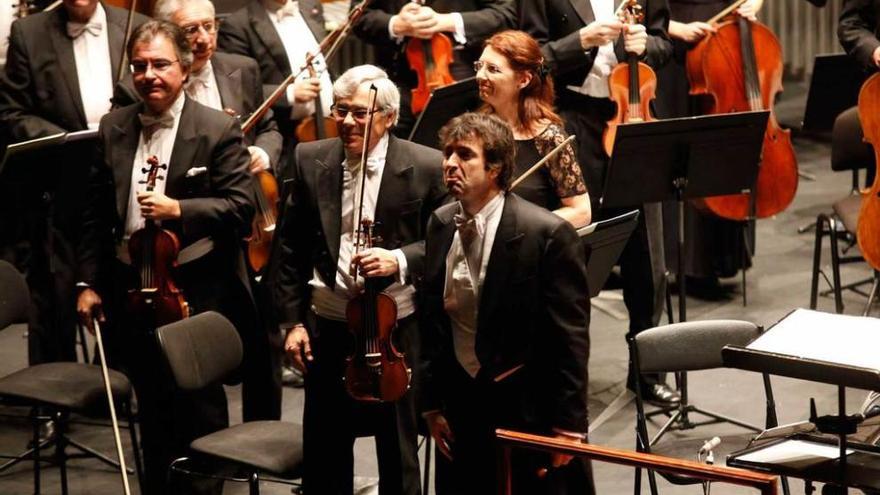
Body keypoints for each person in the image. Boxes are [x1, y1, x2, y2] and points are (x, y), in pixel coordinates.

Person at [75, 20, 255, 494]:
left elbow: (241, 207)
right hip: (129, 285)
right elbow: (95, 215)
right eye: (139, 66)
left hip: (194, 286)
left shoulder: (217, 127)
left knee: (198, 405)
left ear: (185, 66)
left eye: (160, 64)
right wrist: (88, 283)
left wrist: (181, 209)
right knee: (148, 402)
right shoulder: (114, 127)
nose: (149, 74)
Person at [274, 64, 447, 495]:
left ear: (388, 117)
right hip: (330, 327)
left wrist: (399, 259)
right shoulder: (312, 159)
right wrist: (292, 323)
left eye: (360, 113)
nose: (347, 122)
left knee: (398, 452)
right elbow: (289, 248)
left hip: (396, 331)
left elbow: (445, 242)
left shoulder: (425, 165)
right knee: (326, 450)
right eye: (341, 111)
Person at [421, 112, 593, 494]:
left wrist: (568, 426)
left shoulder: (547, 234)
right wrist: (431, 405)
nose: (450, 164)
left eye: (464, 155)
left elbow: (570, 338)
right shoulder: (440, 223)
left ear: (495, 167)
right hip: (461, 401)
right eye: (448, 153)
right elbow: (432, 321)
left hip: (525, 406)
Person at [521, 0, 680, 405]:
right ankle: (565, 376)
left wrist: (647, 46)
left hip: (634, 116)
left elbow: (665, 45)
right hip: (573, 119)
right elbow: (529, 57)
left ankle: (646, 371)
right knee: (575, 253)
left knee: (649, 260)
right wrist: (580, 40)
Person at [154, 0, 284, 422]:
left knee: (265, 335)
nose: (204, 38)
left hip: (252, 222)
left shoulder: (240, 67)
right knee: (202, 345)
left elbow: (268, 126)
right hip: (197, 230)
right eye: (190, 30)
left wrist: (264, 152)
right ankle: (207, 449)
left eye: (209, 26)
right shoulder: (158, 82)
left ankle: (263, 431)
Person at [0, 0, 147, 367]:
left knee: (123, 280)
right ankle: (50, 404)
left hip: (124, 179)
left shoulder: (135, 24)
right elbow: (12, 112)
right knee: (53, 294)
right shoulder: (28, 33)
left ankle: (114, 379)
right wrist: (69, 139)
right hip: (60, 181)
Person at [654, 0, 762, 297]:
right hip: (675, 49)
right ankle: (684, 263)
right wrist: (673, 28)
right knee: (683, 151)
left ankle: (720, 258)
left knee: (721, 145)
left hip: (724, 39)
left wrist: (754, 4)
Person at [475, 29, 591, 227]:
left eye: (492, 69)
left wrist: (525, 226)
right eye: (479, 66)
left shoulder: (549, 138)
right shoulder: (474, 130)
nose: (479, 75)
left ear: (523, 80)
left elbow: (581, 212)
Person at [353, 0, 517, 137]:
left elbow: (505, 14)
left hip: (462, 86)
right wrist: (395, 24)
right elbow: (358, 17)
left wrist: (446, 22)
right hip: (395, 84)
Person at [217, 0, 332, 178]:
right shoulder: (237, 25)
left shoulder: (311, 7)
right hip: (285, 139)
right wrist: (289, 94)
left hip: (327, 130)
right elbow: (237, 88)